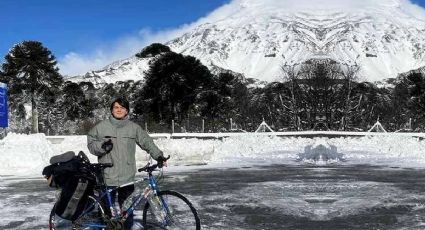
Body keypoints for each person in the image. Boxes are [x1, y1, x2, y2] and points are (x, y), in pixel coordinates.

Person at [87, 97, 167, 229]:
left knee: (127, 211)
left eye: (122, 108)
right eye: (116, 107)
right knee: (107, 213)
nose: (119, 110)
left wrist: (159, 156)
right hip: (107, 175)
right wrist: (102, 146)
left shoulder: (133, 128)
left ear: (127, 111)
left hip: (127, 176)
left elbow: (147, 142)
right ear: (112, 110)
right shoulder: (101, 127)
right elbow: (91, 144)